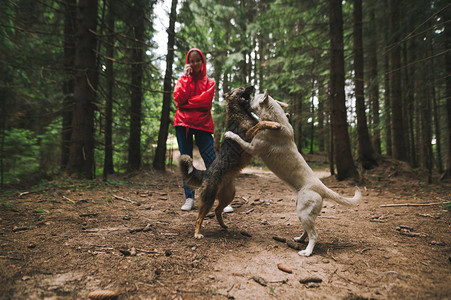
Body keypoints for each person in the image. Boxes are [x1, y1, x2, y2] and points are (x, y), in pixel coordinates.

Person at [173, 48, 233, 213]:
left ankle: (222, 199)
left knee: (213, 162)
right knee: (187, 161)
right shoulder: (182, 80)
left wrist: (186, 104)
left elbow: (204, 103)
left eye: (197, 60)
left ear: (202, 61)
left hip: (203, 125)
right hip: (182, 124)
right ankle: (189, 198)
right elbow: (178, 98)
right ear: (188, 63)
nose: (195, 63)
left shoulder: (209, 82)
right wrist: (185, 79)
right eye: (191, 61)